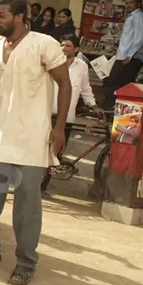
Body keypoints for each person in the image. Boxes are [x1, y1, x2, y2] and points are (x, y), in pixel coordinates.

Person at [0, 0, 71, 285]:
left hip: (31, 139)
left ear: (20, 17)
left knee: (26, 207)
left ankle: (26, 262)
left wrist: (59, 127)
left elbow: (64, 84)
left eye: (2, 16)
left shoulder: (43, 43)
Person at [42, 34, 104, 196]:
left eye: (68, 46)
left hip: (66, 117)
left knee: (56, 153)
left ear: (76, 49)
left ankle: (42, 187)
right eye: (62, 45)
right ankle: (35, 186)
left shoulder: (81, 67)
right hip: (46, 113)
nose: (63, 48)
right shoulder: (52, 61)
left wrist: (93, 105)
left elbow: (85, 89)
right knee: (40, 150)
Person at [106, 0, 143, 109]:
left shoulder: (138, 16)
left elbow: (140, 38)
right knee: (119, 83)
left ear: (138, 4)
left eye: (131, 3)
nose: (128, 5)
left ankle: (112, 109)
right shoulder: (131, 16)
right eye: (127, 3)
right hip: (124, 56)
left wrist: (130, 55)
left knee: (115, 83)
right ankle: (115, 109)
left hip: (130, 57)